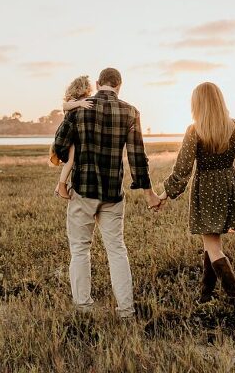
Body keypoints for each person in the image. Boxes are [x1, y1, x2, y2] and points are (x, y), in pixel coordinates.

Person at [52, 67, 160, 318]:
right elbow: (137, 157)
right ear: (119, 85)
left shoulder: (79, 108)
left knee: (80, 249)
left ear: (99, 83)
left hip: (83, 190)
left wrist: (68, 164)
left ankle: (84, 308)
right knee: (117, 249)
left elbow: (59, 144)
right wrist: (149, 193)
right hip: (113, 193)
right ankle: (125, 310)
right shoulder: (130, 112)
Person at [152, 82, 235, 321]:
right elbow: (232, 154)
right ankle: (205, 294)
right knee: (211, 242)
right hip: (229, 185)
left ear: (198, 104)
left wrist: (164, 194)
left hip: (207, 188)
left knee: (213, 246)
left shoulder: (195, 130)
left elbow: (183, 169)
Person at [50, 75, 94, 199]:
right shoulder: (72, 101)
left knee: (72, 162)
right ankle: (62, 186)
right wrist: (80, 103)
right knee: (70, 161)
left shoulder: (77, 102)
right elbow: (65, 106)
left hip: (70, 136)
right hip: (67, 137)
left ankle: (59, 187)